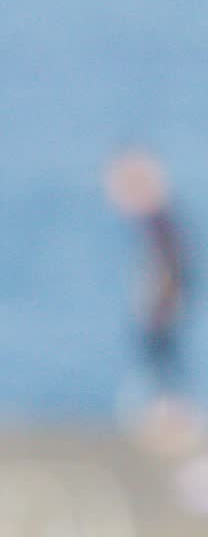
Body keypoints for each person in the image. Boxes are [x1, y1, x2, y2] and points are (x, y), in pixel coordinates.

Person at [105, 148, 197, 447]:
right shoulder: (161, 221)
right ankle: (169, 420)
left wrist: (159, 301)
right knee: (163, 363)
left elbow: (172, 267)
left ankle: (171, 422)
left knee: (162, 363)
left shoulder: (159, 222)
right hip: (164, 303)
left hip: (162, 305)